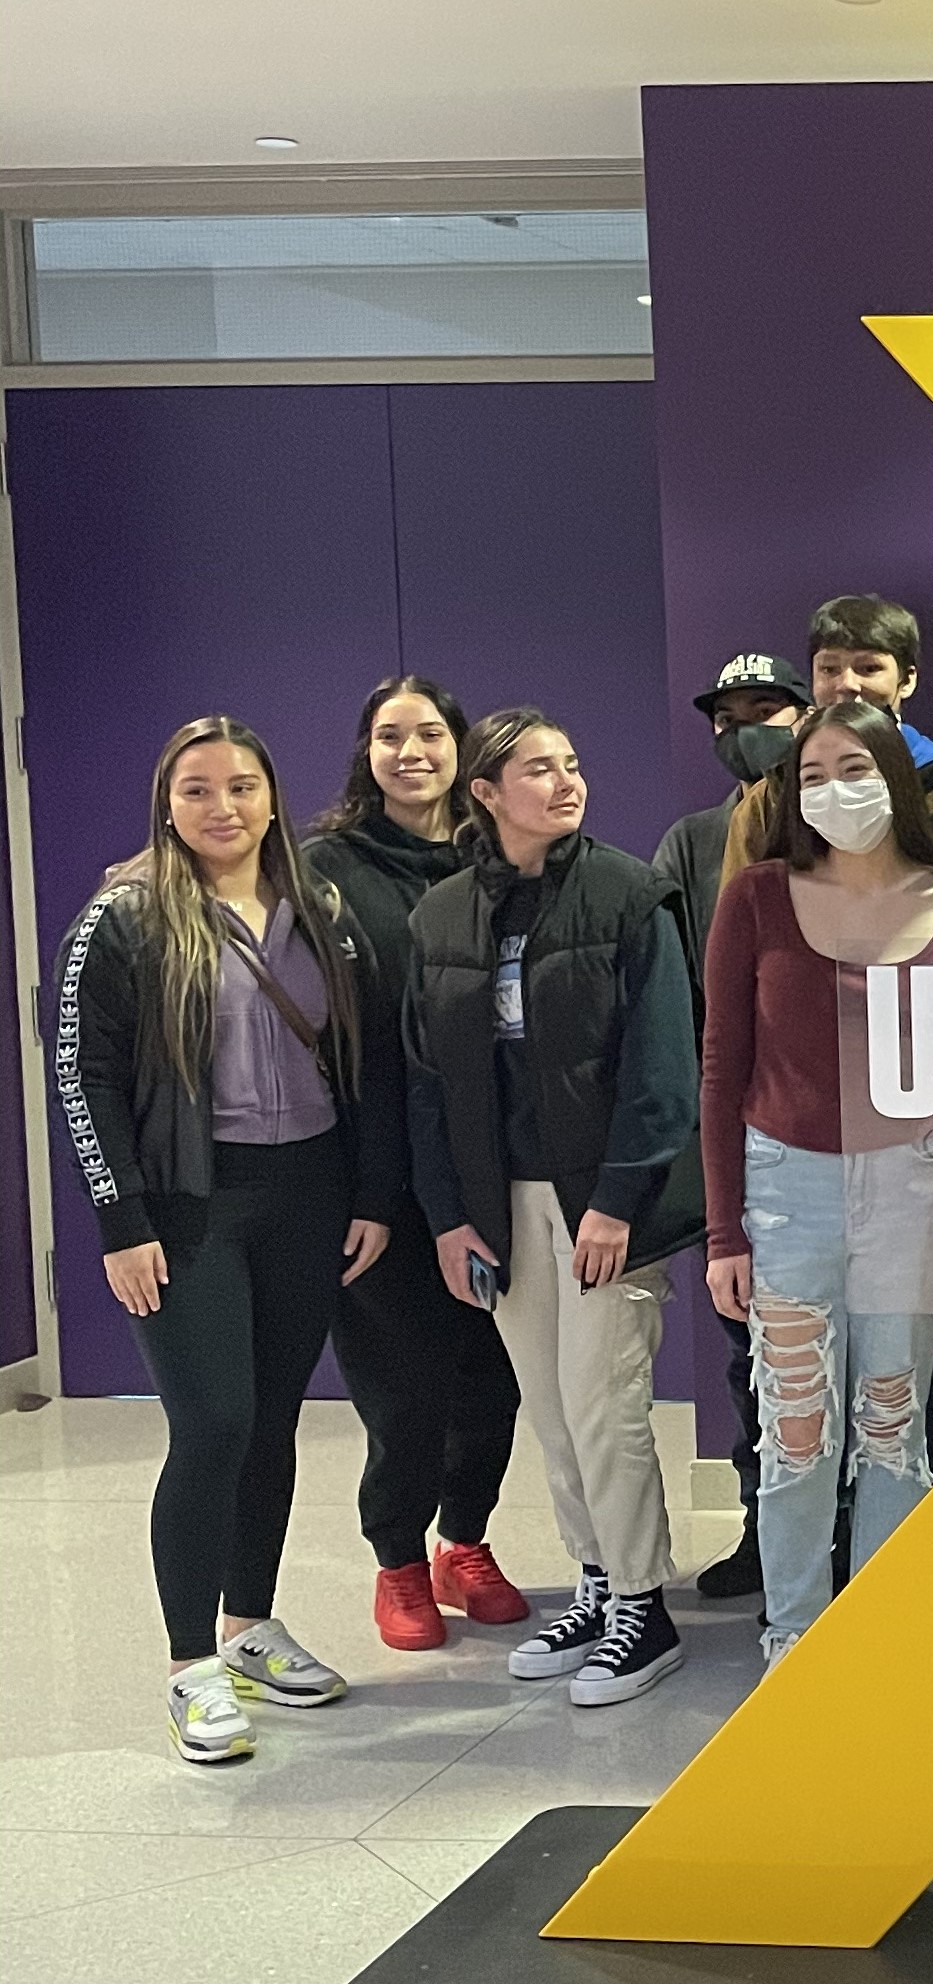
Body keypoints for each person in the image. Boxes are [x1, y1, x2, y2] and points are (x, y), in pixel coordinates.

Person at [53, 716, 402, 1763]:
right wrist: (120, 1220)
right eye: (197, 790)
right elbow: (83, 1075)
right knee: (212, 1425)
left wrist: (371, 1193)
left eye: (242, 786)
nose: (223, 808)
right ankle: (189, 1665)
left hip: (309, 1194)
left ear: (271, 797)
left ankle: (250, 1625)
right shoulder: (124, 917)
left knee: (272, 1422)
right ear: (167, 805)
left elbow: (369, 1059)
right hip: (189, 1203)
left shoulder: (320, 907)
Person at [407, 707, 704, 1708]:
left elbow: (663, 1066)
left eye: (571, 763)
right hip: (500, 1207)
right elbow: (425, 1081)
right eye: (538, 768)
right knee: (549, 1409)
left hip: (603, 1202)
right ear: (485, 793)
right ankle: (596, 1580)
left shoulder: (630, 894)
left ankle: (643, 1604)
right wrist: (450, 1216)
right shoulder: (442, 916)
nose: (565, 781)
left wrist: (616, 1202)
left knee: (603, 1404)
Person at [703, 700, 933, 1665]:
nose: (832, 791)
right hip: (788, 1189)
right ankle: (795, 1640)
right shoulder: (758, 897)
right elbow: (721, 1067)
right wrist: (724, 1234)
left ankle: (877, 1639)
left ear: (896, 777)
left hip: (917, 1189)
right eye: (812, 774)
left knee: (894, 1429)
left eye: (853, 768)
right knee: (796, 1433)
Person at [307, 677, 527, 1650]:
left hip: (485, 1168)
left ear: (460, 748)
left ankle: (463, 1544)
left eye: (430, 733)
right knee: (404, 1392)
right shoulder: (323, 869)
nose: (411, 752)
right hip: (374, 1179)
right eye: (389, 735)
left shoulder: (504, 856)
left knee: (493, 1379)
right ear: (366, 752)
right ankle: (397, 1561)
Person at [655, 650, 809, 1603]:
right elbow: (678, 989)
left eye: (766, 710)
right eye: (727, 717)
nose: (745, 731)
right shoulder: (692, 842)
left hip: (845, 1125)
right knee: (755, 1355)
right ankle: (767, 1530)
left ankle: (858, 1534)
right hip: (744, 1128)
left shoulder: (846, 818)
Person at [717, 594, 933, 884]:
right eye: (829, 669)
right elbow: (745, 903)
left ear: (907, 680)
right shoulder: (769, 798)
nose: (847, 684)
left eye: (869, 668)